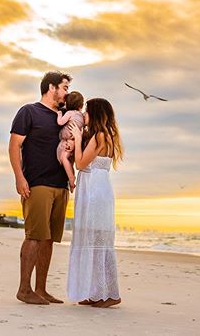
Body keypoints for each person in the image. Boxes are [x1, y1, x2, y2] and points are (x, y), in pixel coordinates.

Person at [9, 71, 71, 305]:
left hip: (60, 186)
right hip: (37, 183)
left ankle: (41, 290)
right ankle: (24, 289)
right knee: (34, 236)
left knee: (49, 239)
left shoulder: (66, 116)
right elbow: (14, 145)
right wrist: (19, 177)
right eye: (64, 87)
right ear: (51, 87)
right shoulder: (29, 111)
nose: (67, 92)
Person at [67, 98, 124, 308]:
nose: (84, 115)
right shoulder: (108, 135)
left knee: (94, 241)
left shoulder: (99, 135)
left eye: (87, 111)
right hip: (99, 188)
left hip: (93, 190)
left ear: (96, 113)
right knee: (96, 241)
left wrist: (78, 137)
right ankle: (96, 292)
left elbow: (81, 164)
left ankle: (107, 294)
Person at [56, 91, 85, 192]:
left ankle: (71, 179)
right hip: (75, 142)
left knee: (64, 158)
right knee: (70, 161)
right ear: (81, 105)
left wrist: (59, 114)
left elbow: (60, 122)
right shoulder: (81, 115)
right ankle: (71, 182)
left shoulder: (69, 113)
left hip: (68, 139)